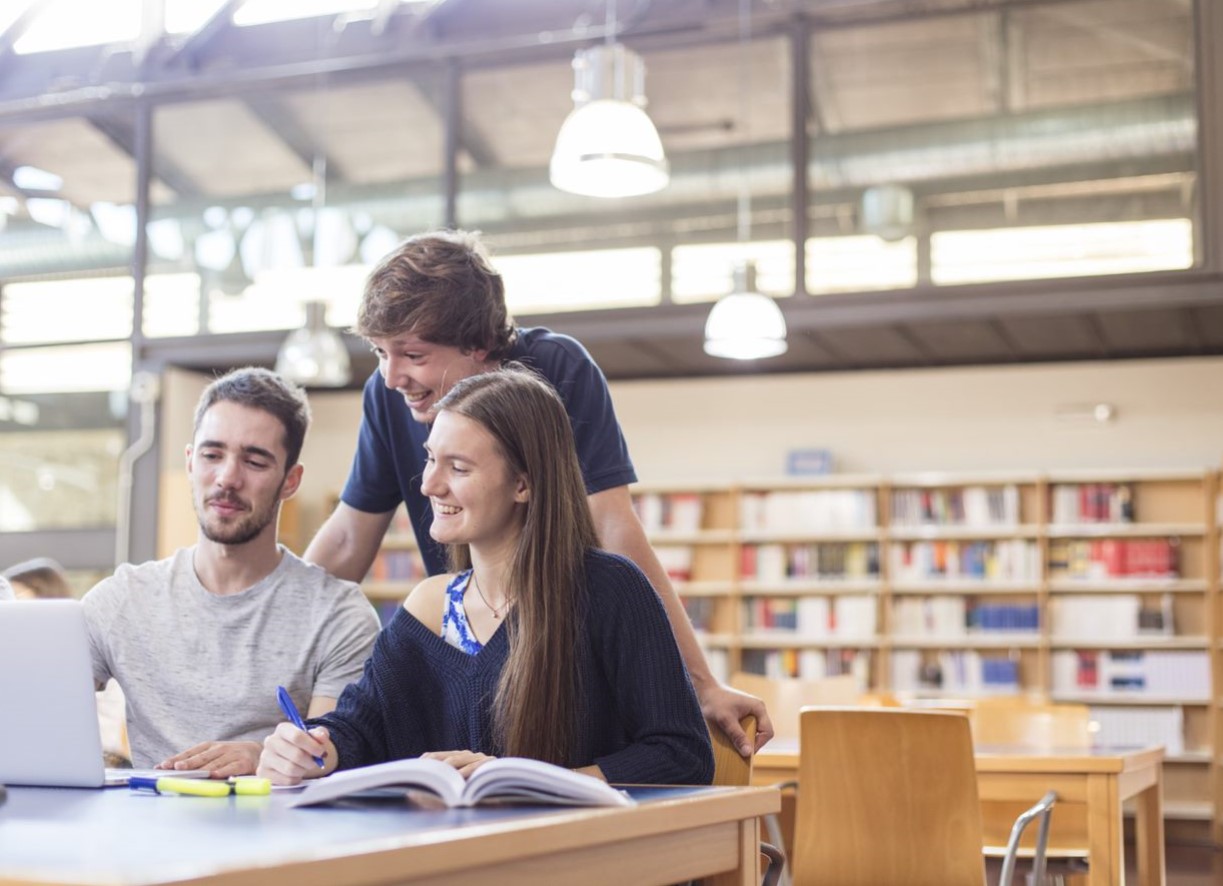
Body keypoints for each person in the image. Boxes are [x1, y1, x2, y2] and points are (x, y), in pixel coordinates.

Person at [304, 230, 771, 756]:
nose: (391, 377)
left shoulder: (558, 369)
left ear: (478, 344)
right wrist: (276, 636)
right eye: (379, 353)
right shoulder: (386, 399)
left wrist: (700, 683)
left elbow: (613, 526)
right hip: (473, 632)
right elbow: (347, 538)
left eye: (412, 354)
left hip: (564, 642)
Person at [260, 367, 713, 785]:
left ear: (524, 484)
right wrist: (317, 747)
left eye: (458, 468)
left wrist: (525, 780)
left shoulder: (611, 590)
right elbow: (363, 725)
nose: (428, 485)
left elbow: (681, 754)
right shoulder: (430, 606)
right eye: (430, 459)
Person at [82, 367, 381, 777]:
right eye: (212, 455)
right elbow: (37, 706)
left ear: (290, 480)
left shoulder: (339, 615)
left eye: (255, 461)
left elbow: (326, 759)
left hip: (280, 832)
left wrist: (263, 756)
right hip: (147, 830)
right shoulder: (121, 599)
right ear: (190, 461)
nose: (227, 478)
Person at [3, 557, 129, 766]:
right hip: (40, 756)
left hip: (105, 759)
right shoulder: (20, 654)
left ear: (45, 594)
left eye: (18, 597)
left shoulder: (86, 645)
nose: (11, 608)